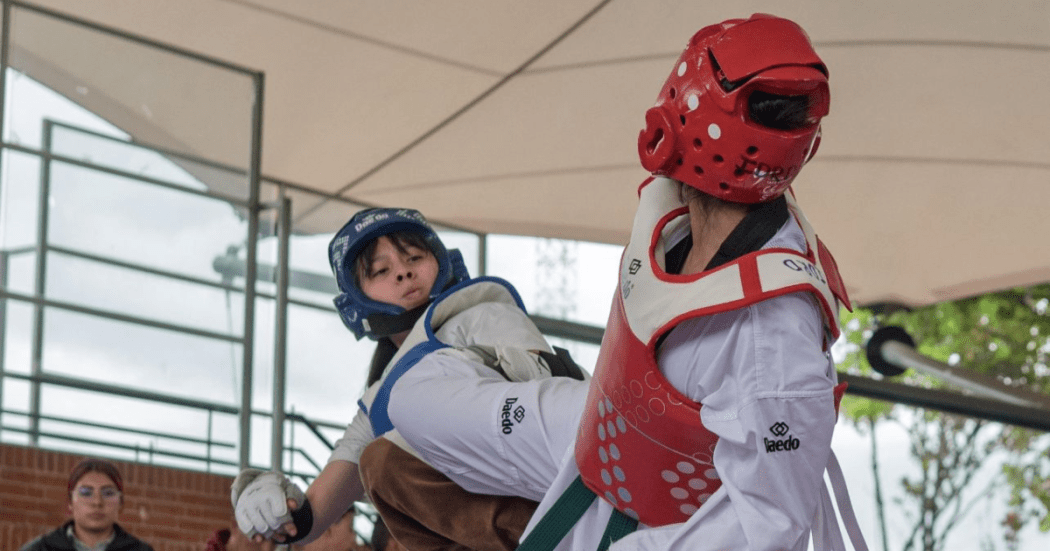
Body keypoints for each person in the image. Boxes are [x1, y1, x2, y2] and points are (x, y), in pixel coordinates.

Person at [376, 13, 868, 551]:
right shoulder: (671, 221)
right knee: (407, 411)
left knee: (394, 467)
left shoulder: (774, 332)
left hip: (664, 505)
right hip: (608, 419)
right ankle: (531, 374)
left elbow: (765, 527)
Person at [232, 208, 583, 550]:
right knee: (380, 461)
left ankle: (565, 534)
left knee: (384, 460)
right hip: (519, 525)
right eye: (381, 270)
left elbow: (553, 411)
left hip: (569, 486)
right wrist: (277, 507)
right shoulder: (379, 405)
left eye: (414, 258)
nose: (403, 273)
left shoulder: (486, 314)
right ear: (356, 299)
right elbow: (310, 518)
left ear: (442, 262)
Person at [19, 457, 155, 551]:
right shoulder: (39, 549)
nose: (97, 502)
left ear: (121, 503)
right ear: (70, 502)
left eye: (108, 493)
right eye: (86, 492)